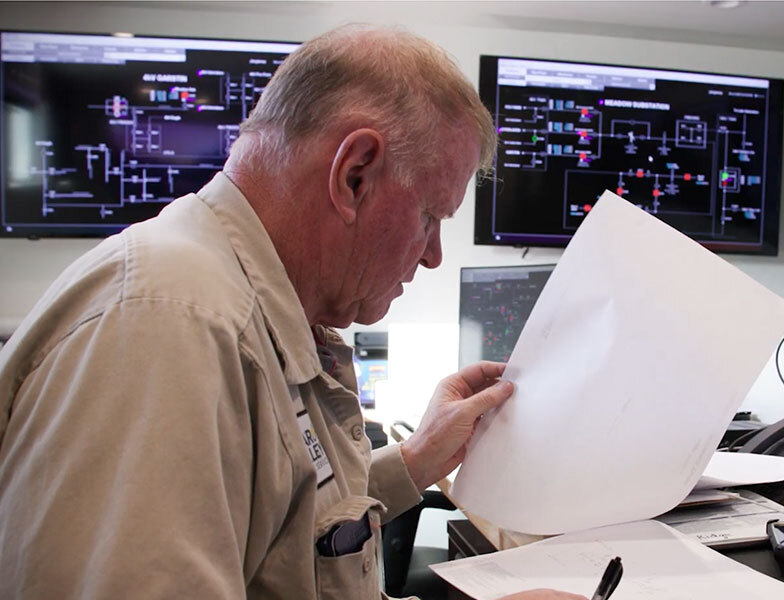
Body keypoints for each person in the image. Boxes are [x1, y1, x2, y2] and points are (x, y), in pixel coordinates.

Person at [0, 25, 585, 600]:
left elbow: (281, 537)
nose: (433, 255)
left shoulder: (254, 306)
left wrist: (417, 459)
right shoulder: (171, 326)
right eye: (430, 216)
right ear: (354, 174)